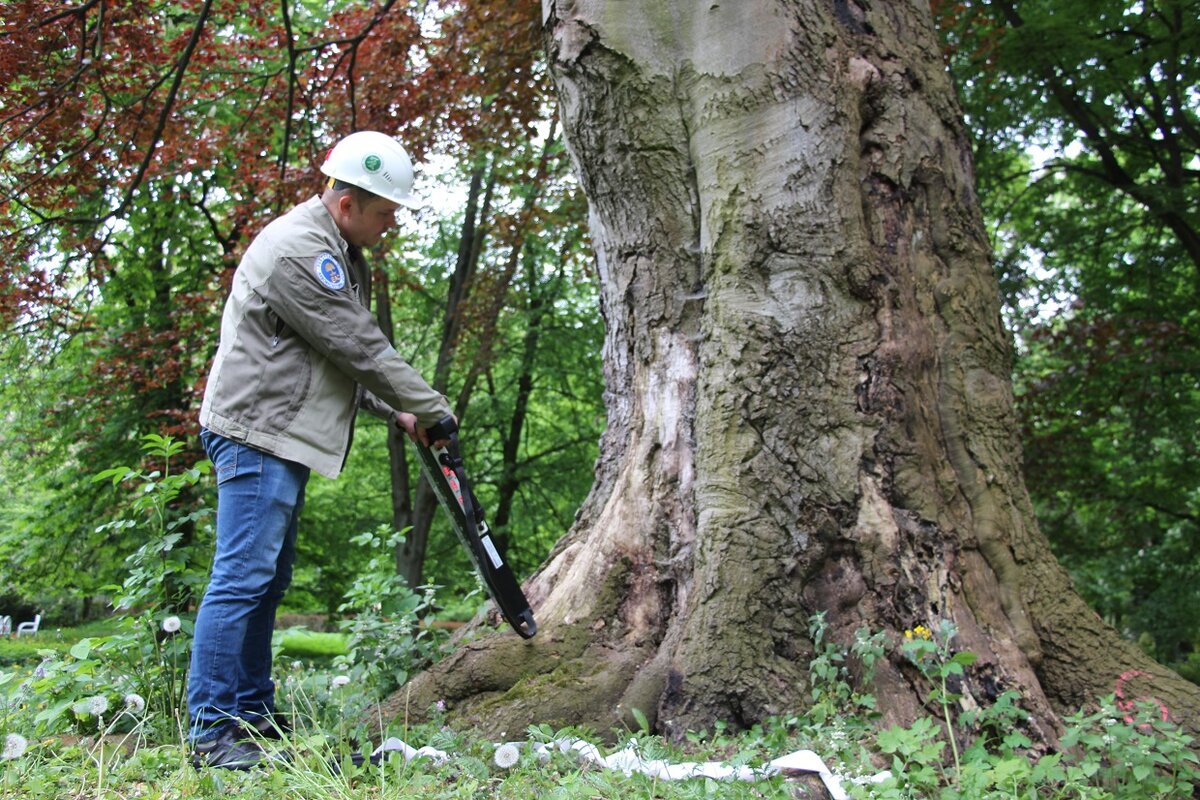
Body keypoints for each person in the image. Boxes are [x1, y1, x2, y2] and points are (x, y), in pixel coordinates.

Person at [188, 131, 452, 769]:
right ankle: (214, 731)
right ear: (346, 203)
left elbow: (329, 363)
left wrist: (400, 411)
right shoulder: (302, 248)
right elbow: (358, 345)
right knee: (242, 580)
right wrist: (435, 408)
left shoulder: (337, 250)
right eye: (385, 212)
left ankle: (248, 715)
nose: (390, 225)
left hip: (276, 435)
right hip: (256, 434)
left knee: (265, 582)